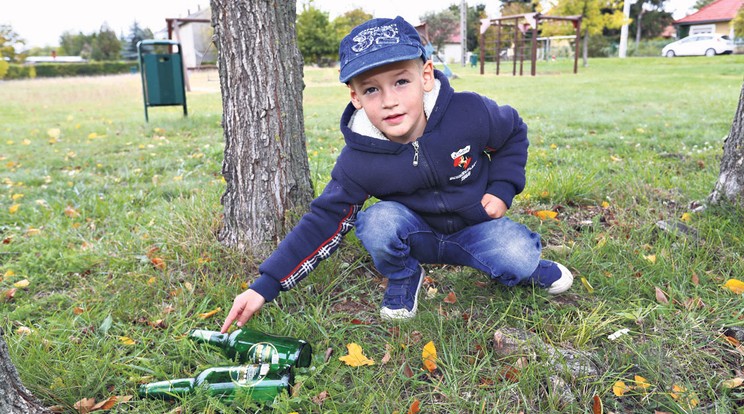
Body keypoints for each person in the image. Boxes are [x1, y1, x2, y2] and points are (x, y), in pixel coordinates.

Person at [221, 16, 573, 332]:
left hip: (477, 228)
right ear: (356, 97)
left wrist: (502, 188)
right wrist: (265, 285)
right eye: (372, 89)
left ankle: (524, 270)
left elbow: (513, 132)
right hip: (415, 234)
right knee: (376, 221)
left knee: (516, 255)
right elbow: (324, 219)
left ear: (426, 76)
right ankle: (404, 274)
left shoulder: (469, 112)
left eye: (401, 81)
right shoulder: (358, 159)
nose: (388, 100)